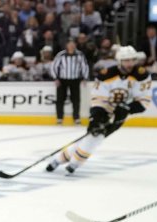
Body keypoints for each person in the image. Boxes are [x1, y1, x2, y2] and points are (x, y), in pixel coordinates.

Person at [46, 46, 150, 174]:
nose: (130, 63)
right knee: (96, 136)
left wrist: (128, 108)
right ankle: (73, 163)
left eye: (132, 60)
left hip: (121, 113)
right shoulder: (106, 74)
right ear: (119, 61)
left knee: (94, 137)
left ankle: (59, 160)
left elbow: (144, 101)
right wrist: (96, 115)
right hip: (103, 109)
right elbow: (98, 97)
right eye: (126, 60)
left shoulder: (141, 75)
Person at [51, 39, 89, 125]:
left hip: (75, 80)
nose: (71, 46)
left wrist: (84, 78)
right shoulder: (61, 55)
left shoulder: (80, 55)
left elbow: (84, 66)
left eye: (73, 44)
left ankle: (76, 118)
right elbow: (54, 66)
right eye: (70, 44)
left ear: (75, 45)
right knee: (60, 99)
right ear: (67, 45)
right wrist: (55, 78)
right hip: (62, 80)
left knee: (76, 100)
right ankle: (59, 118)